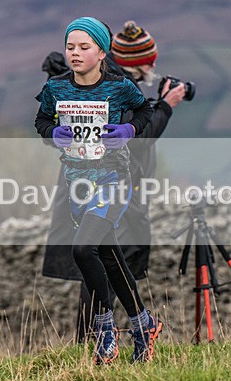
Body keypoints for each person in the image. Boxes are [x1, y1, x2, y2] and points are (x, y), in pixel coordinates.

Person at [40, 20, 186, 342]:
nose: (153, 67)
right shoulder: (113, 88)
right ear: (137, 64)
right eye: (149, 61)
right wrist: (165, 105)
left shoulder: (113, 85)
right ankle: (99, 335)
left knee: (103, 257)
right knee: (95, 256)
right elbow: (139, 139)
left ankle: (113, 332)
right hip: (109, 188)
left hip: (105, 188)